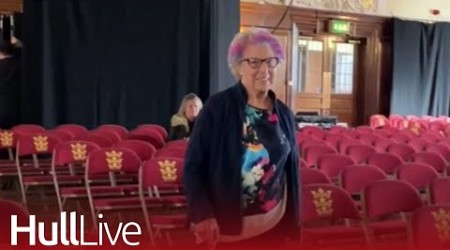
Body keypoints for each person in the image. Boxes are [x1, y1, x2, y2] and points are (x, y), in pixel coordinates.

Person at [184, 29, 300, 250]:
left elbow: (289, 172)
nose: (264, 70)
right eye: (254, 62)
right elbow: (193, 166)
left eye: (271, 62)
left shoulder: (284, 113)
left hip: (274, 223)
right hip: (227, 229)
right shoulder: (217, 108)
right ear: (238, 67)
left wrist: (293, 222)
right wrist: (202, 214)